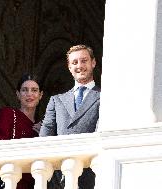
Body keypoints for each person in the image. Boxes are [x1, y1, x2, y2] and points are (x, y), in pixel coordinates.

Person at [39, 45, 100, 189]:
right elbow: (44, 137)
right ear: (69, 67)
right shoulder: (56, 100)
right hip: (59, 177)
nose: (79, 66)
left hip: (91, 176)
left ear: (93, 63)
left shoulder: (104, 97)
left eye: (84, 61)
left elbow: (100, 136)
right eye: (75, 62)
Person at [0, 73, 43, 189]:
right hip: (10, 181)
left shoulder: (42, 127)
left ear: (40, 95)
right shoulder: (8, 114)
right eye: (25, 90)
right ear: (18, 94)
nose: (29, 94)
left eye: (34, 90)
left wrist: (44, 133)